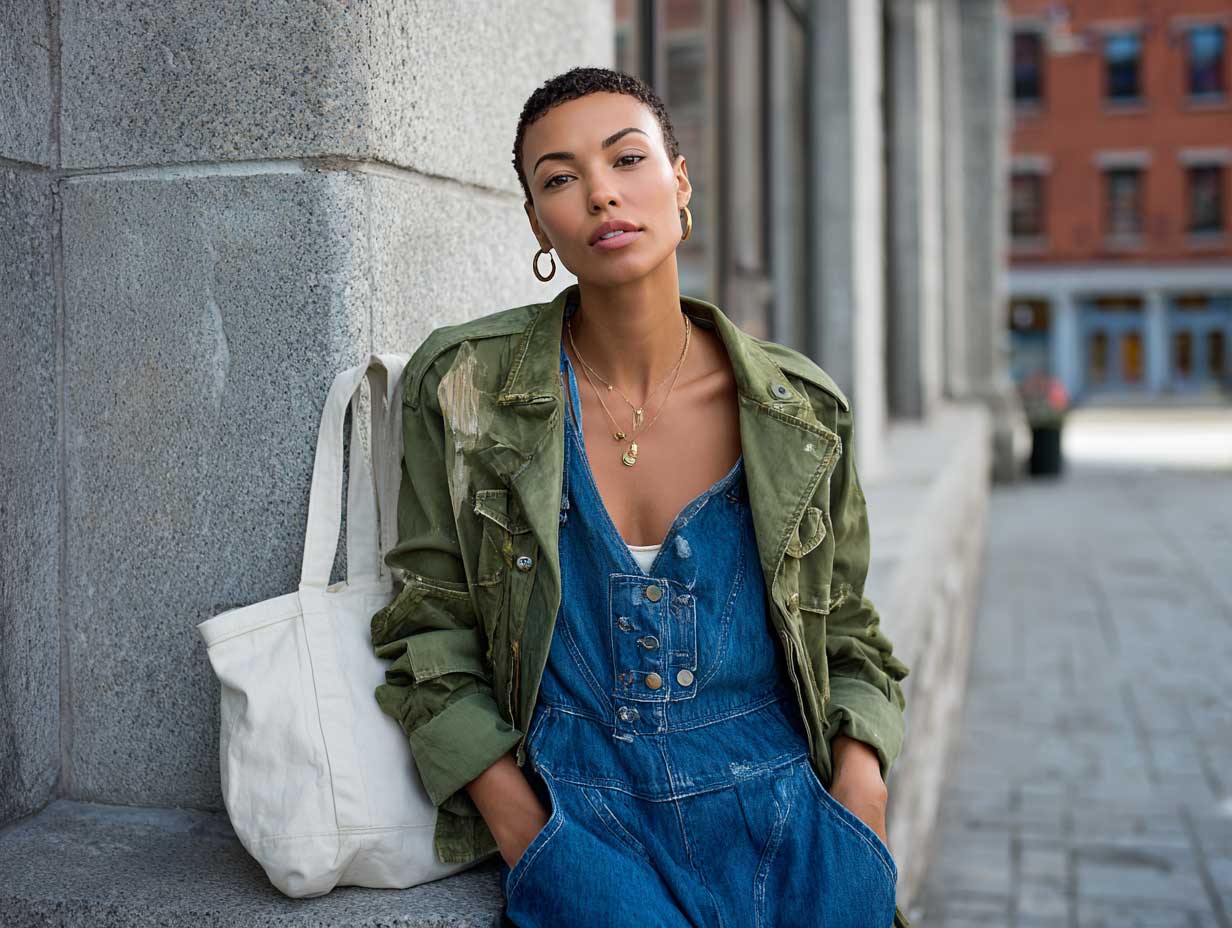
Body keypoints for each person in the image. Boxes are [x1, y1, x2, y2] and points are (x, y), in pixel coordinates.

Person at [371, 66, 911, 927]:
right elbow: (427, 627)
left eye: (627, 159)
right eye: (560, 178)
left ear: (679, 181)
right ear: (537, 221)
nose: (601, 193)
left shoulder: (800, 410)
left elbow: (848, 635)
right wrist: (526, 832)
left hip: (797, 830)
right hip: (580, 828)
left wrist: (861, 797)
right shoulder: (467, 384)